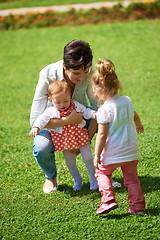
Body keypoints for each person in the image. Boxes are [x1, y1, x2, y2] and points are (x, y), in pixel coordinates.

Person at [30, 39, 98, 193]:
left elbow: (97, 109)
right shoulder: (47, 74)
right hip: (52, 121)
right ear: (65, 66)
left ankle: (104, 173)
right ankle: (51, 177)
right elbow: (35, 119)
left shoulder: (90, 73)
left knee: (109, 121)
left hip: (80, 117)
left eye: (86, 71)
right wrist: (67, 121)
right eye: (76, 73)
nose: (82, 77)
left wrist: (84, 138)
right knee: (41, 147)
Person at [91, 59, 145, 215]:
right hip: (130, 149)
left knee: (102, 173)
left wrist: (96, 155)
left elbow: (101, 134)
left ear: (98, 89)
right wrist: (138, 124)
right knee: (132, 179)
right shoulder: (127, 100)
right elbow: (134, 114)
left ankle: (108, 200)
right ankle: (138, 206)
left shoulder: (104, 109)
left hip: (113, 151)